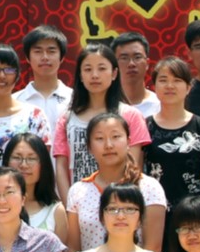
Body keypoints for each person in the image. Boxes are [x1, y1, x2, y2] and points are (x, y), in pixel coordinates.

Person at [52, 42, 151, 197]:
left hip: (120, 202)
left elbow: (134, 165)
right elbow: (61, 168)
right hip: (79, 203)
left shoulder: (131, 115)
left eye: (102, 68)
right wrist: (69, 205)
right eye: (88, 69)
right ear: (80, 76)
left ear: (114, 73)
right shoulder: (67, 119)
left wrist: (121, 203)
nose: (95, 75)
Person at [66, 113, 167, 252]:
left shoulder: (149, 187)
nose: (108, 145)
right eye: (99, 138)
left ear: (128, 142)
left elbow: (152, 247)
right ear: (89, 147)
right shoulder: (77, 191)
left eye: (116, 137)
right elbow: (73, 249)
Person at [0, 43, 52, 184]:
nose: (2, 75)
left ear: (17, 75)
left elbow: (43, 166)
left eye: (9, 69)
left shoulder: (35, 116)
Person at [143, 56, 200, 207]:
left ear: (188, 87)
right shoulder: (145, 126)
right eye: (163, 80)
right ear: (154, 86)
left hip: (196, 210)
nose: (170, 86)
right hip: (155, 208)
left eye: (177, 80)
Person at [0, 133, 68, 240]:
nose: (24, 165)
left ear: (44, 164)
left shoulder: (56, 211)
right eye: (17, 157)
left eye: (31, 158)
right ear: (6, 161)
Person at [15, 25, 72, 132]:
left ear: (62, 57)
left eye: (51, 51)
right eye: (38, 51)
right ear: (27, 58)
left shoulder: (75, 100)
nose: (45, 57)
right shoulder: (15, 101)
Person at [112, 32, 161, 117]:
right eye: (124, 58)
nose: (131, 64)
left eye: (137, 57)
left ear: (147, 63)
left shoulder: (160, 105)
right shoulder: (106, 106)